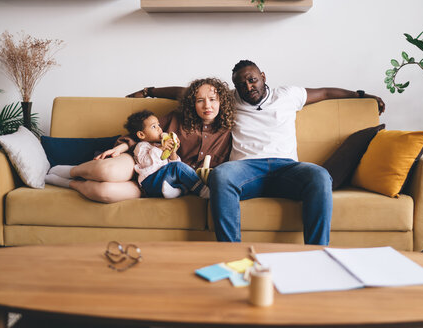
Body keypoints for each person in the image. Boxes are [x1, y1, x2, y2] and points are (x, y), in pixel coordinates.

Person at [126, 60, 385, 245]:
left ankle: (317, 254)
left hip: (287, 169)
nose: (248, 87)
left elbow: (327, 92)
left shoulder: (288, 95)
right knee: (221, 176)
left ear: (263, 75)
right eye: (241, 84)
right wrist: (150, 91)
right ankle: (230, 255)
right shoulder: (227, 100)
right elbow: (188, 93)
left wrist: (362, 95)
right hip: (246, 170)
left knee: (319, 176)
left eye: (252, 79)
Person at [45, 77, 235, 203]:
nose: (207, 105)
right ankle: (69, 170)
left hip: (158, 182)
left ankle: (69, 183)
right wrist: (122, 147)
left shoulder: (228, 132)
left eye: (213, 99)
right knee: (106, 171)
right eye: (200, 100)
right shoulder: (176, 118)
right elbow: (142, 132)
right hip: (139, 160)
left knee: (105, 193)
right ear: (192, 103)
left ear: (222, 101)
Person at [121, 109, 209, 199]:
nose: (159, 129)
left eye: (158, 125)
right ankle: (202, 190)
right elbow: (147, 162)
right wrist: (162, 148)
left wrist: (173, 151)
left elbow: (172, 163)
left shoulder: (160, 145)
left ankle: (176, 192)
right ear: (141, 134)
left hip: (165, 182)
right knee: (178, 167)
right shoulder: (141, 147)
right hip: (150, 182)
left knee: (183, 179)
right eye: (153, 127)